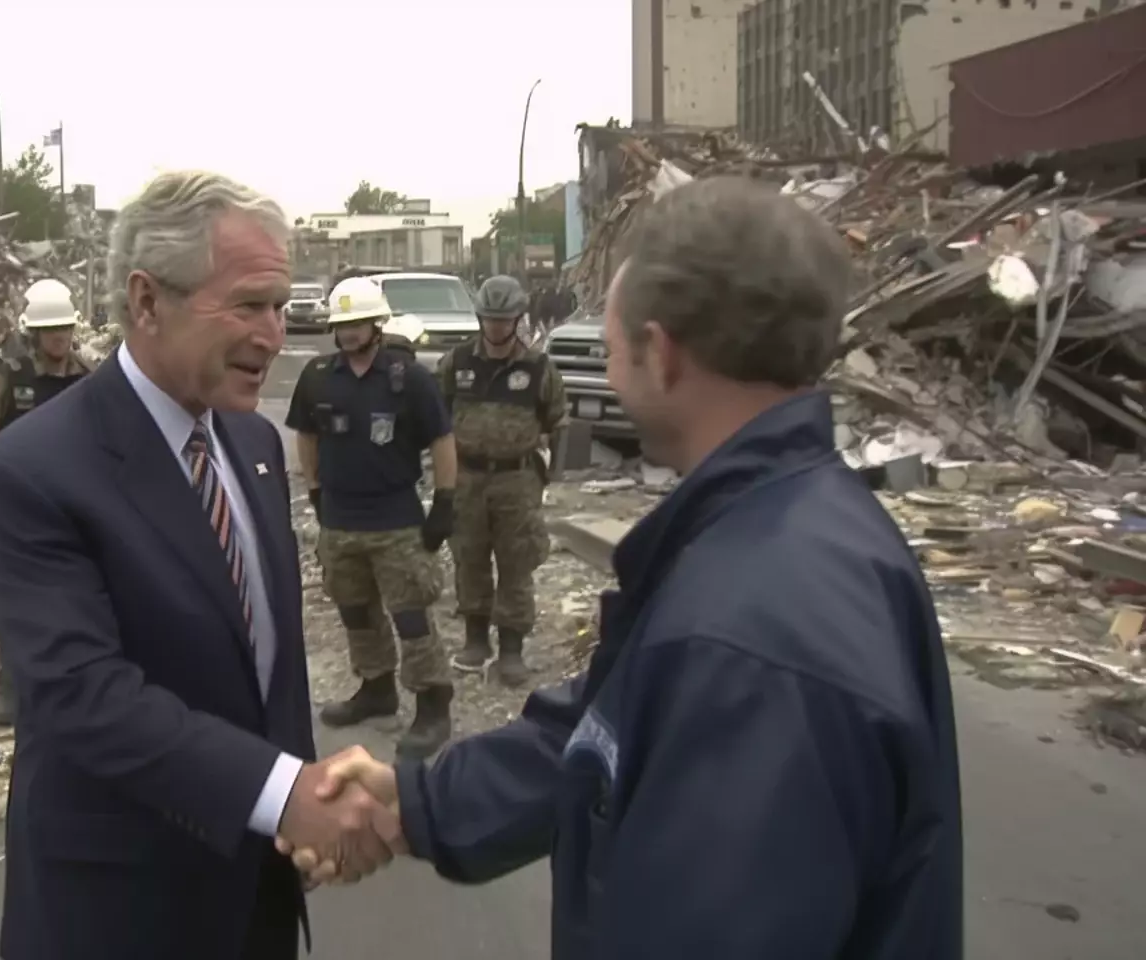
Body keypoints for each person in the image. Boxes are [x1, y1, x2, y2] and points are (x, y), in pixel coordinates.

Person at [282, 178, 964, 960]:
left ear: (661, 352)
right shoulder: (782, 528)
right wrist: (415, 801)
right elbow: (608, 732)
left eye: (608, 347)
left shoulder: (751, 632)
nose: (602, 366)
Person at [0, 171, 401, 960]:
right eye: (246, 305)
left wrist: (301, 805)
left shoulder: (254, 444)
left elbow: (271, 664)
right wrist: (282, 794)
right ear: (145, 301)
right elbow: (83, 696)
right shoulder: (29, 472)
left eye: (278, 305)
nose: (273, 335)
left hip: (257, 895)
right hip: (120, 913)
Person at [286, 275, 460, 760]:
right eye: (342, 325)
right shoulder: (320, 375)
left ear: (377, 324)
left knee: (410, 616)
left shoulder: (409, 378)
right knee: (355, 610)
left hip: (396, 520)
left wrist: (445, 502)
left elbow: (443, 439)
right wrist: (315, 488)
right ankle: (377, 687)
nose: (348, 333)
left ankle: (432, 703)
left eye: (358, 324)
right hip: (341, 520)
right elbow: (306, 434)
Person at [0, 277, 95, 724]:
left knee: (77, 602)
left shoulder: (87, 378)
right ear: (32, 332)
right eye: (51, 330)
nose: (60, 337)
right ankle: (12, 689)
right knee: (13, 604)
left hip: (68, 511)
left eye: (66, 329)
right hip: (10, 516)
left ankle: (74, 684)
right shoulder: (3, 380)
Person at [436, 274, 566, 685]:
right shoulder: (456, 364)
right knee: (469, 558)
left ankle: (512, 650)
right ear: (479, 319)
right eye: (489, 319)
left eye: (504, 319)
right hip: (467, 477)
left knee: (517, 562)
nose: (496, 327)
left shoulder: (539, 368)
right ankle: (476, 642)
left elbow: (557, 421)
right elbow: (436, 420)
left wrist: (547, 475)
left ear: (517, 320)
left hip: (517, 480)